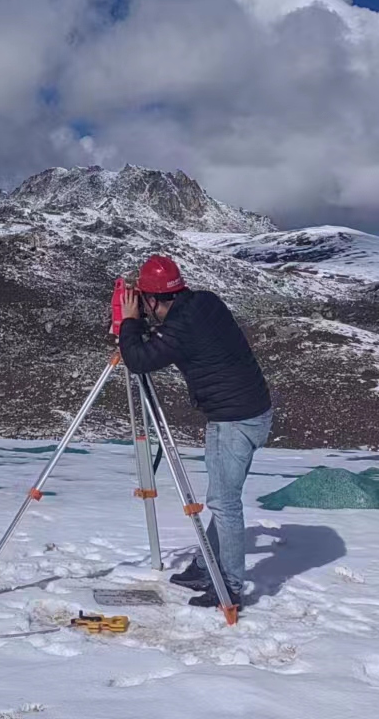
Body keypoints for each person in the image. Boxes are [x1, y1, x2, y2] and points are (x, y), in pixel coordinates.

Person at [117, 254, 272, 611]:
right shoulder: (204, 301)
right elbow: (167, 337)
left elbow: (138, 360)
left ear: (154, 300)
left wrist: (128, 322)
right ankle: (206, 566)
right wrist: (142, 322)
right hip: (247, 411)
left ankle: (229, 586)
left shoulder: (180, 328)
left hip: (235, 420)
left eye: (144, 301)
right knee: (222, 496)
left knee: (223, 502)